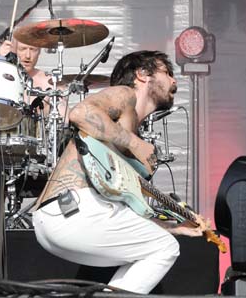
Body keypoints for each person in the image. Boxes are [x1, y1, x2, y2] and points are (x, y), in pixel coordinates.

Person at [31, 50, 210, 294]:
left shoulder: (134, 132)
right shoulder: (126, 95)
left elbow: (126, 202)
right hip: (74, 209)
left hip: (64, 219)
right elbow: (80, 113)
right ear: (142, 75)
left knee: (144, 255)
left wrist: (172, 226)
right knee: (165, 248)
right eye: (167, 72)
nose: (174, 81)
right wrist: (135, 144)